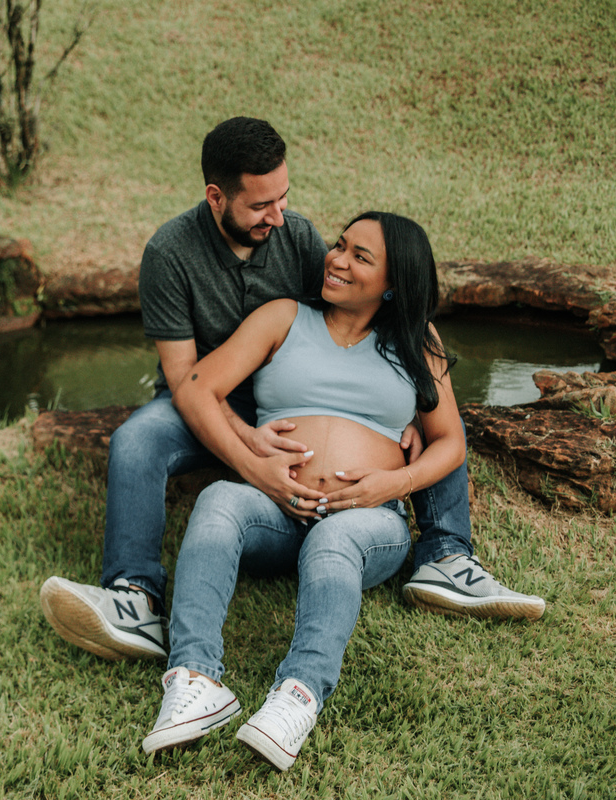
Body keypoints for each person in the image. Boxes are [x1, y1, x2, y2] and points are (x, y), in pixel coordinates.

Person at [39, 118, 543, 664]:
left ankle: (445, 552)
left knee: (421, 382)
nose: (278, 217)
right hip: (208, 395)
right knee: (136, 440)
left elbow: (344, 321)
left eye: (284, 198)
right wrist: (249, 454)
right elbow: (188, 382)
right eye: (261, 206)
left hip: (284, 387)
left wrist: (402, 411)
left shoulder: (295, 236)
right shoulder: (171, 253)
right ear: (217, 197)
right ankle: (134, 597)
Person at [142, 212, 463, 771]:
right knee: (219, 499)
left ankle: (298, 696)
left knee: (334, 543)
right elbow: (197, 388)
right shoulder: (282, 317)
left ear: (393, 283)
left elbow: (449, 442)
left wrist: (394, 483)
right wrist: (250, 462)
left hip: (368, 523)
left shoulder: (417, 342)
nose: (335, 259)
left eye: (359, 256)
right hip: (274, 511)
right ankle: (195, 680)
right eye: (339, 246)